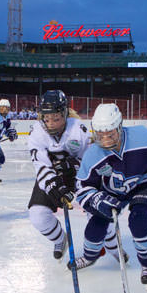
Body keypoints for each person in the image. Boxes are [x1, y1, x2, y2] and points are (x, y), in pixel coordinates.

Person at [73, 103, 147, 285]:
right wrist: (97, 199)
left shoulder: (142, 136)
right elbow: (82, 186)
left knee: (139, 219)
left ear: (120, 127)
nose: (105, 139)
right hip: (113, 191)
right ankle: (90, 256)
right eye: (100, 134)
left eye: (111, 133)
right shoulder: (93, 154)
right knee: (95, 226)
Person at [27, 90, 91, 260]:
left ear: (65, 113)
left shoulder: (79, 130)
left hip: (78, 178)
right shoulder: (36, 133)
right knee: (37, 215)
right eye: (47, 119)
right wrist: (54, 185)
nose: (51, 124)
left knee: (97, 213)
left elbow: (90, 161)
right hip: (51, 177)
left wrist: (74, 165)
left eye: (56, 118)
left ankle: (102, 248)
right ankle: (60, 239)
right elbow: (40, 165)